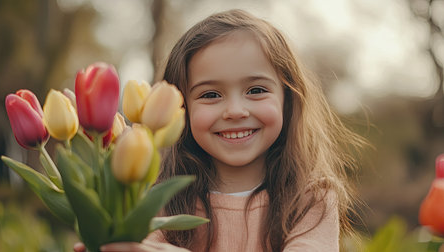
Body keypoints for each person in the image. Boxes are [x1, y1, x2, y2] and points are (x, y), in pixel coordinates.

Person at [75, 9, 365, 252]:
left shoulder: (308, 199)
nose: (235, 110)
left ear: (288, 99)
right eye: (211, 95)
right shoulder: (158, 197)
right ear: (179, 107)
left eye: (256, 90)